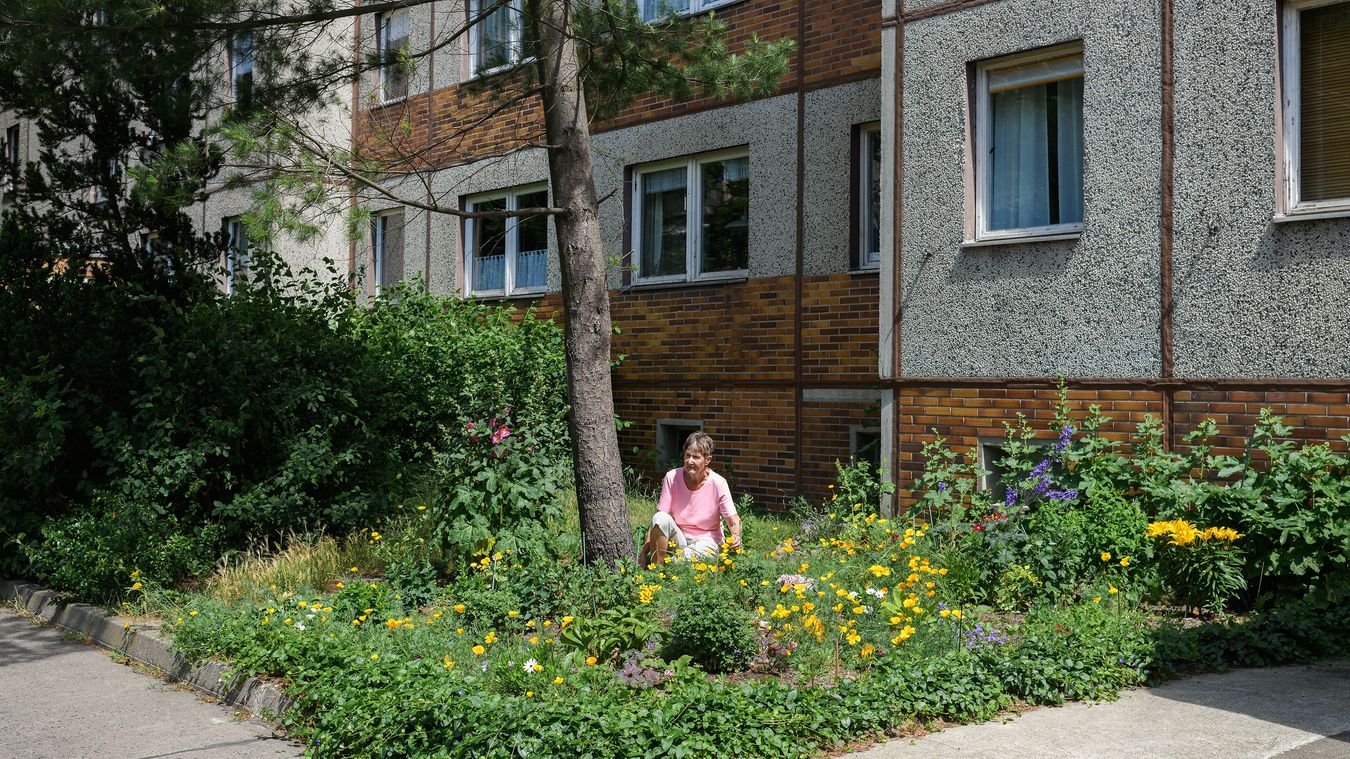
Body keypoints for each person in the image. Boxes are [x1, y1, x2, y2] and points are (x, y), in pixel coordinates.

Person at [639, 431, 742, 568]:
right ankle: (656, 570)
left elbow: (733, 519)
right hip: (679, 538)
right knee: (660, 517)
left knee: (694, 555)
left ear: (707, 460)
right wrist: (644, 552)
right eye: (687, 455)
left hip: (708, 542)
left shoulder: (718, 483)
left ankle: (670, 566)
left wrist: (735, 535)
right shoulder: (672, 477)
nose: (690, 461)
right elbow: (658, 521)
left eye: (696, 457)